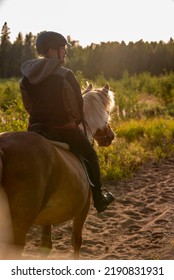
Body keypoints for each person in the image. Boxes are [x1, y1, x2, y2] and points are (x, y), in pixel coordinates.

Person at [20, 31, 115, 213]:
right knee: (91, 156)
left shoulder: (26, 76)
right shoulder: (66, 75)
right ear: (51, 50)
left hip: (35, 129)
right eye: (63, 48)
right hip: (63, 129)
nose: (65, 52)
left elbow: (28, 105)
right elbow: (78, 110)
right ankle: (99, 198)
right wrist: (72, 119)